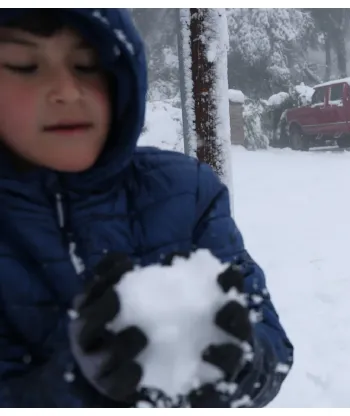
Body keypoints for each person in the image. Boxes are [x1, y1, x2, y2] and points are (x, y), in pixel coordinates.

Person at [0, 9, 293, 407]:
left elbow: (272, 346)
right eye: (24, 65)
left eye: (87, 64)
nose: (66, 90)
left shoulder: (186, 191)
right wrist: (78, 384)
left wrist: (244, 363)